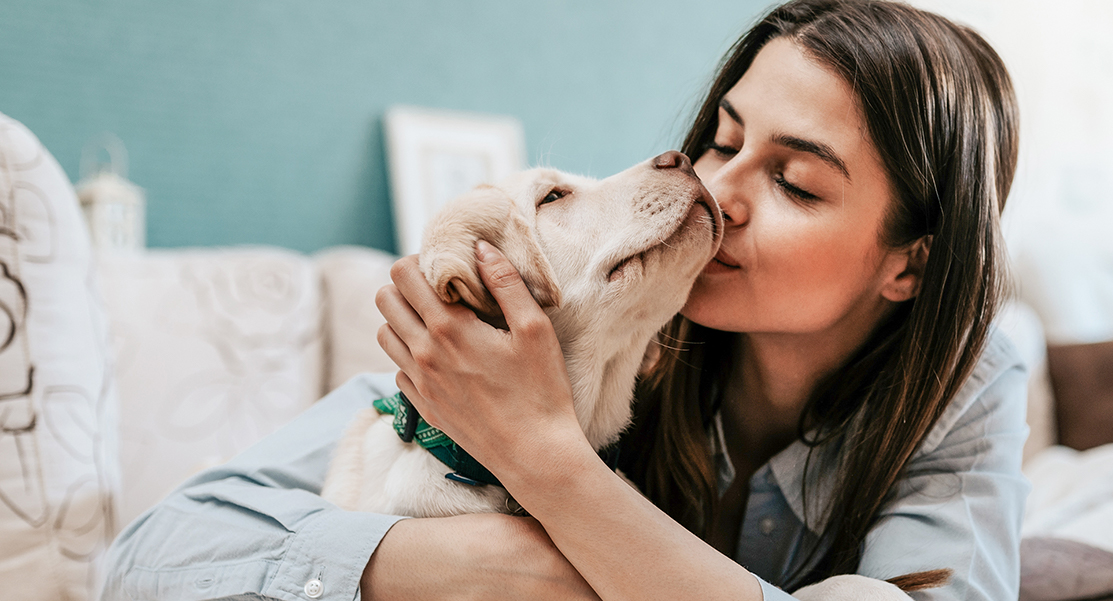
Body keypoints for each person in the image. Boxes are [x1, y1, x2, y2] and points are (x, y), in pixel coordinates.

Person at [102, 1, 1028, 599]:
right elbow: (150, 557)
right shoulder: (584, 322)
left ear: (910, 264)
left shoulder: (966, 380)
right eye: (723, 138)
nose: (720, 188)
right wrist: (472, 565)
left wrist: (549, 463)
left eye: (794, 181)